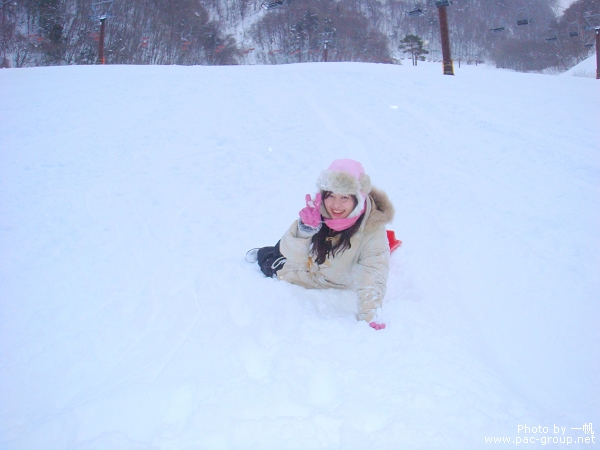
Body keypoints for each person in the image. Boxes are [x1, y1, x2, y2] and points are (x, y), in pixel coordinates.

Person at [246, 159, 394, 330]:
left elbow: (374, 275)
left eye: (344, 197)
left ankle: (264, 254)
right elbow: (291, 254)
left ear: (358, 199)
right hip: (308, 264)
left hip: (326, 280)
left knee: (273, 266)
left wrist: (371, 316)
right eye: (330, 195)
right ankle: (265, 252)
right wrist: (305, 230)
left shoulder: (372, 229)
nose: (336, 205)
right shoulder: (319, 212)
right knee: (277, 252)